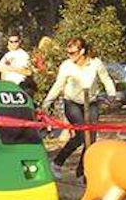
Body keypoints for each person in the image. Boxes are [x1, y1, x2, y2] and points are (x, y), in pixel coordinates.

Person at [41, 37, 117, 178]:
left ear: (82, 51)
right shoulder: (66, 66)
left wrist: (112, 95)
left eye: (73, 53)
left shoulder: (96, 63)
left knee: (91, 138)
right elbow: (58, 85)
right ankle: (57, 162)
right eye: (68, 53)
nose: (70, 56)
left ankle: (83, 170)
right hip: (72, 103)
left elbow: (106, 79)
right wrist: (47, 103)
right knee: (82, 135)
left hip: (91, 102)